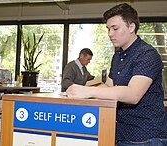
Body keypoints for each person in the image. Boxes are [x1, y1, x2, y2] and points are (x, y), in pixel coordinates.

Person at [66, 3, 167, 146]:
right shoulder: (117, 56)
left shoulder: (147, 54)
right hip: (122, 133)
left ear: (131, 27)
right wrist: (79, 91)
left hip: (146, 137)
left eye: (115, 28)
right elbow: (110, 86)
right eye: (108, 29)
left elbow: (133, 95)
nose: (110, 34)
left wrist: (88, 91)